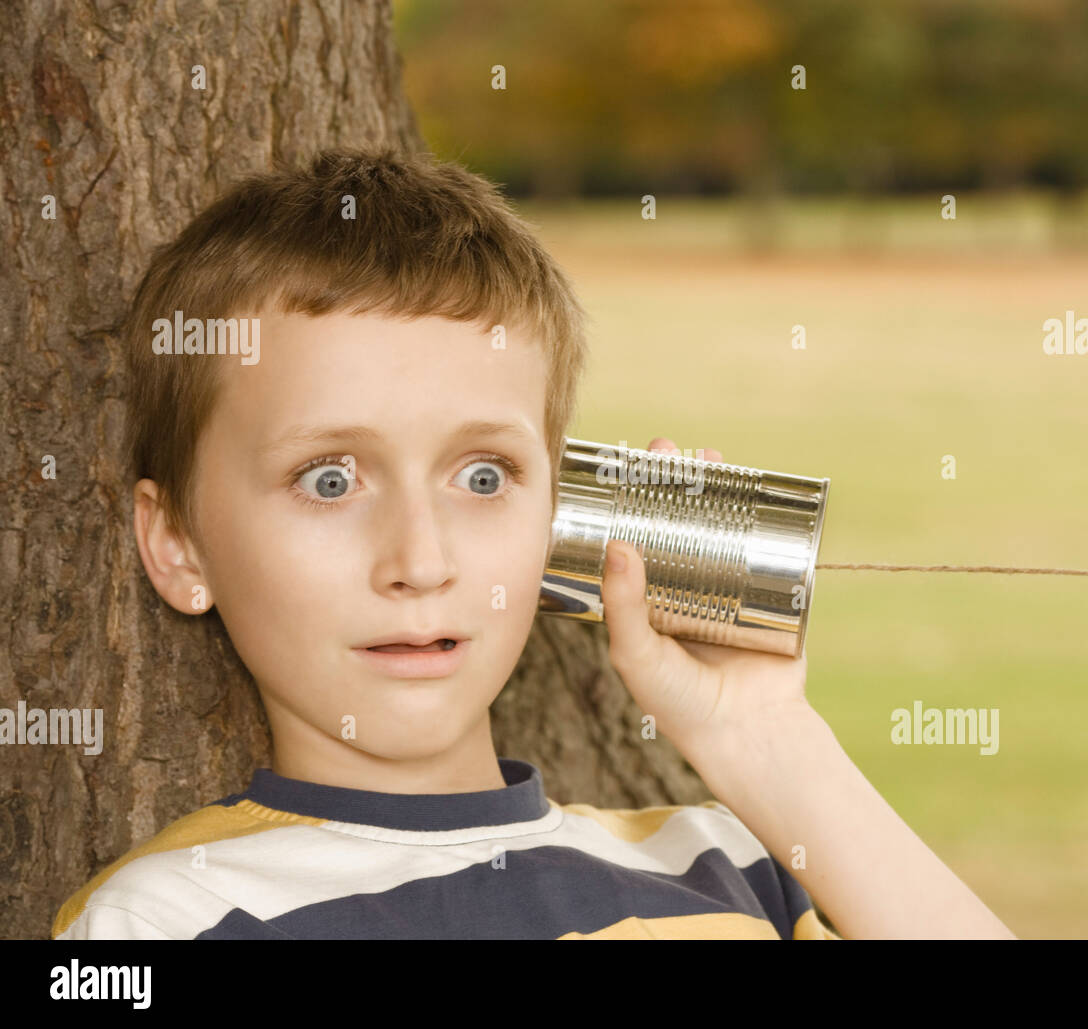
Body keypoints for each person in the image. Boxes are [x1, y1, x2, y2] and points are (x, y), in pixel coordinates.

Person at [52, 148, 1013, 939]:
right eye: (330, 479)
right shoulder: (169, 919)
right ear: (178, 544)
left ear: (562, 518)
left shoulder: (728, 866)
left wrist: (769, 741)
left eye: (483, 477)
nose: (420, 561)